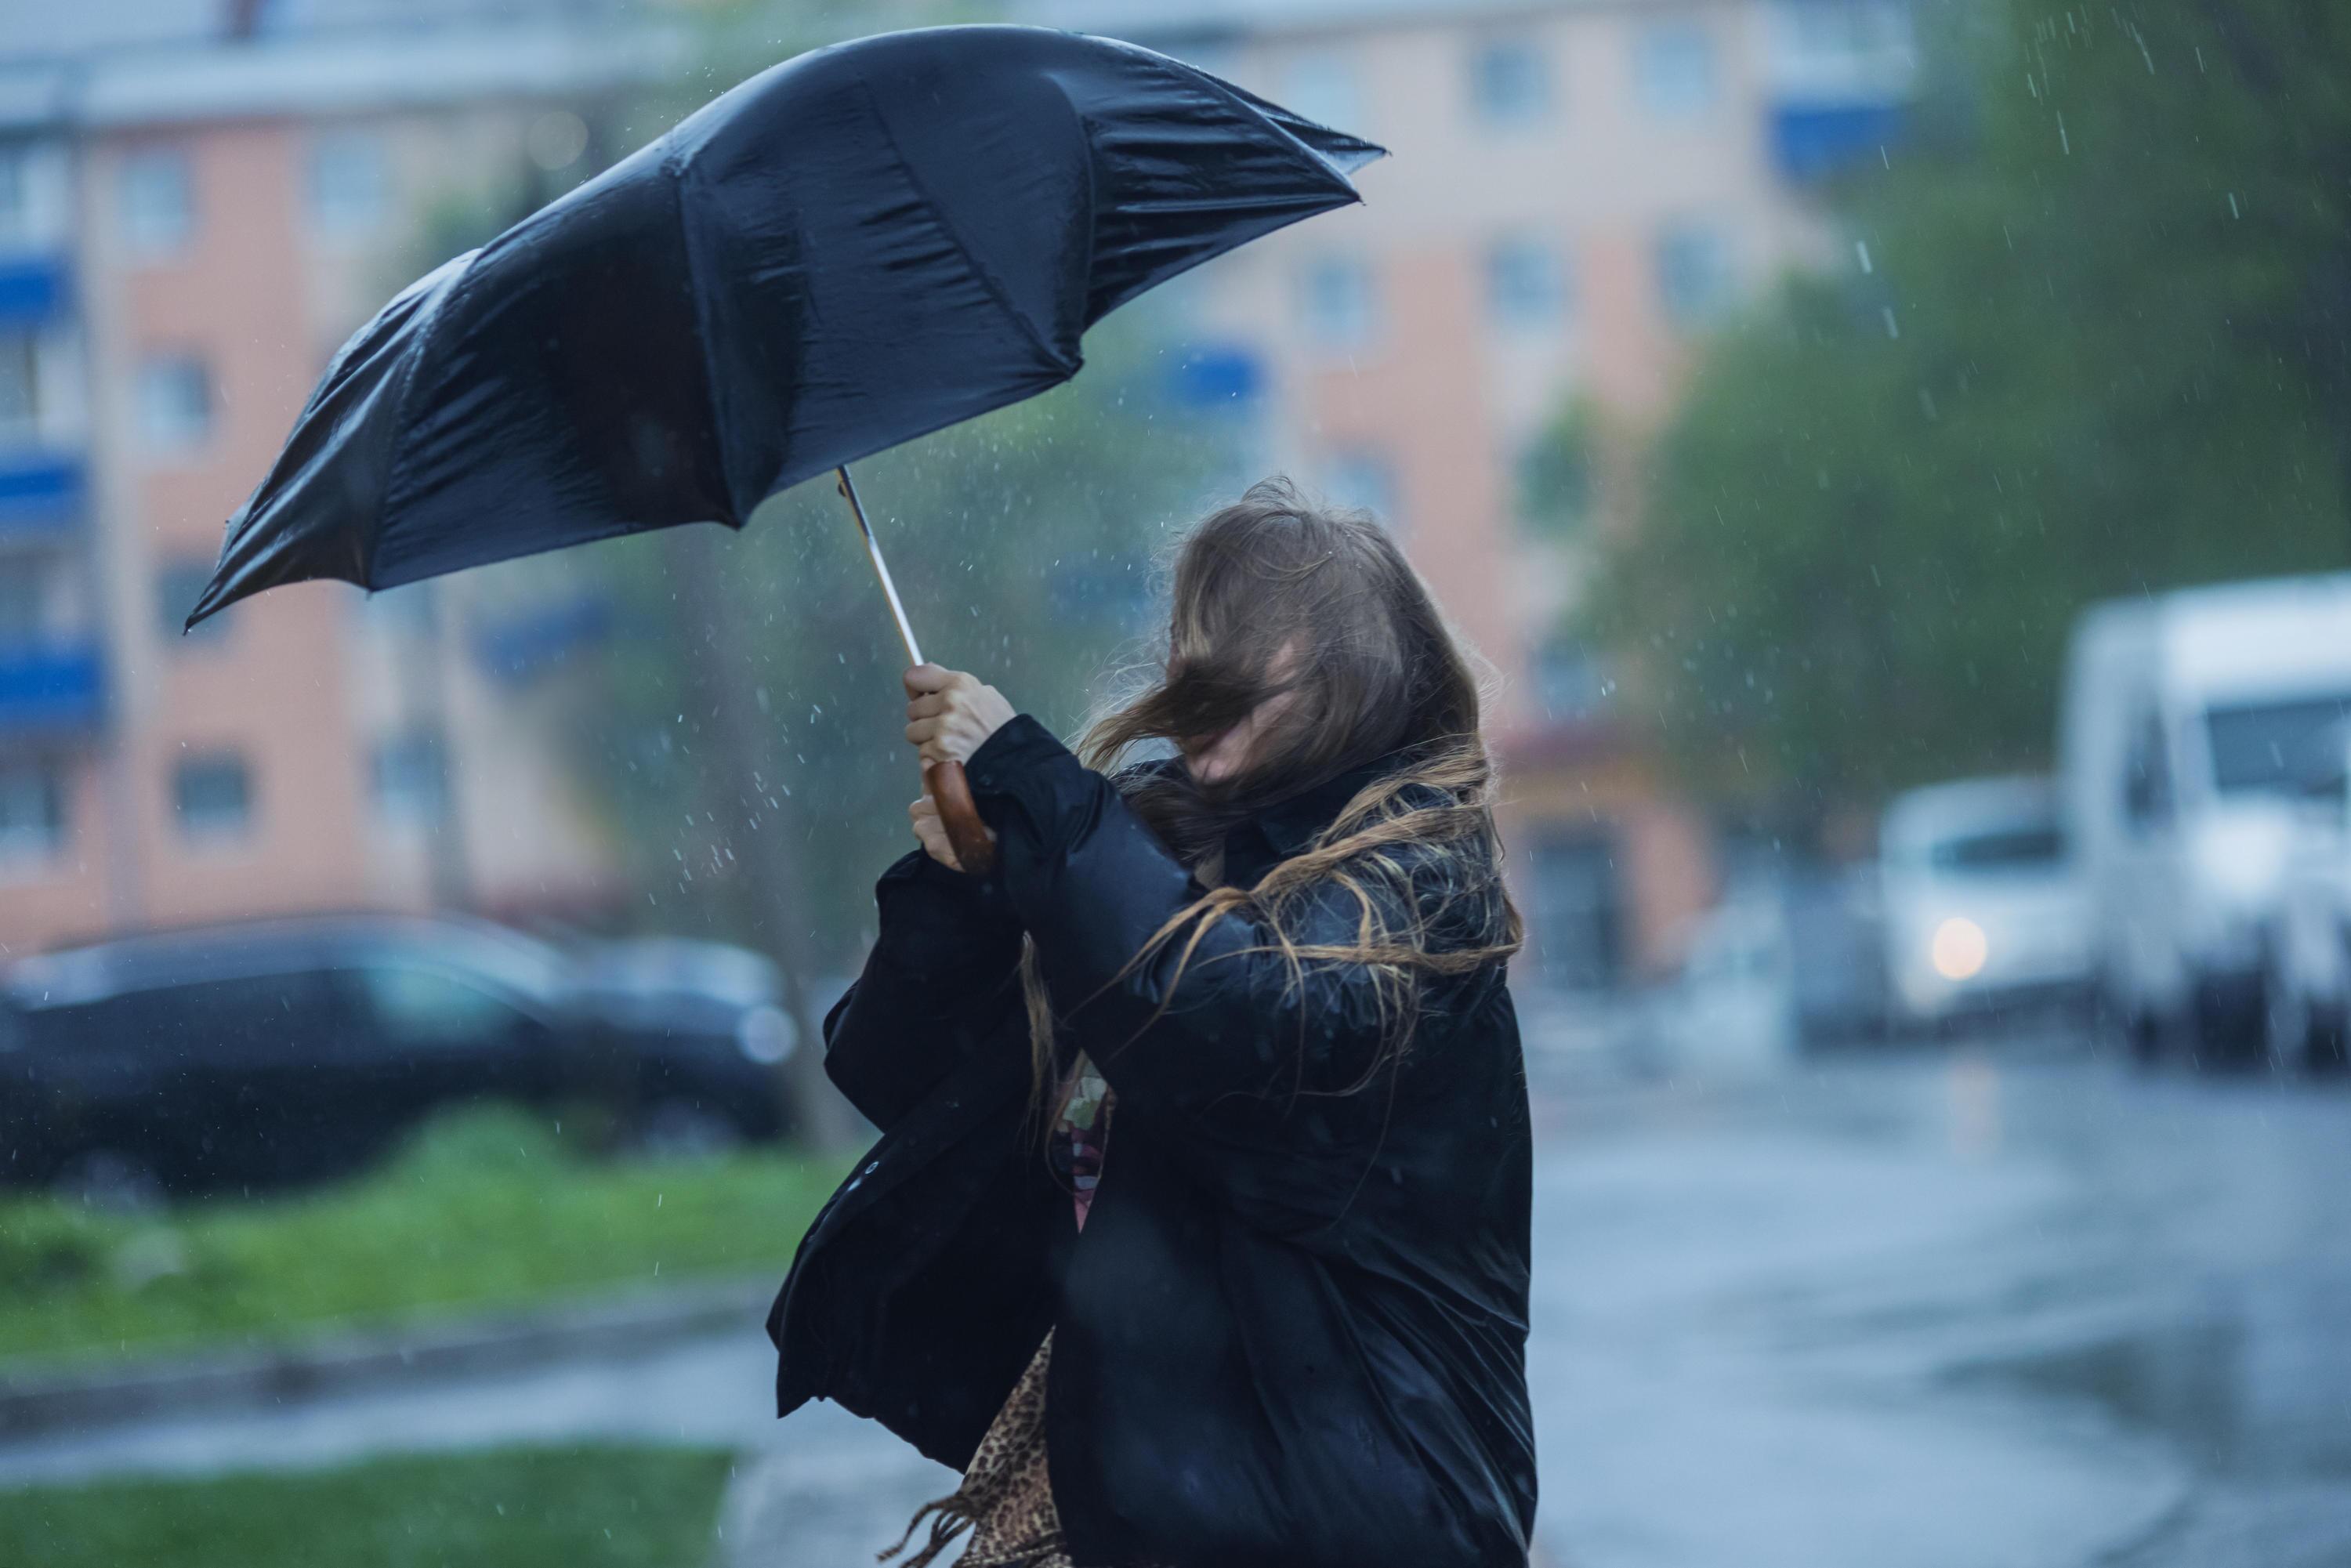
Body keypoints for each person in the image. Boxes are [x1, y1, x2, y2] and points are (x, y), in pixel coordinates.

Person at [767, 479, 1537, 1568]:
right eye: (1186, 642)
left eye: (1233, 644)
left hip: (1353, 1525)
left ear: (1344, 670)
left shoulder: (1412, 890)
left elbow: (1235, 1031)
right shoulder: (1158, 858)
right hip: (1146, 1508)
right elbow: (905, 1074)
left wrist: (1037, 783)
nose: (1189, 675)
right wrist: (975, 887)